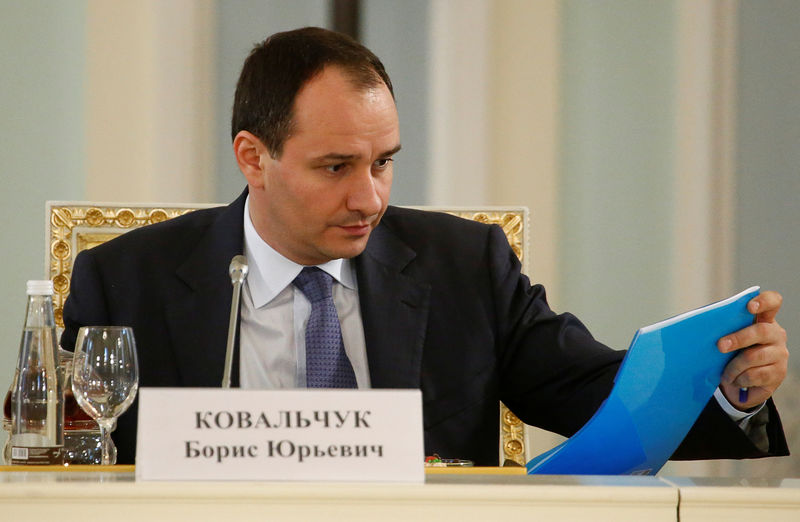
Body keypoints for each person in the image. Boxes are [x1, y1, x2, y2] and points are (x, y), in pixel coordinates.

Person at [61, 27, 789, 465]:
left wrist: (726, 390)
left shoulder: (465, 266)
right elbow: (58, 451)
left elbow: (594, 396)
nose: (370, 199)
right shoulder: (125, 280)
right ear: (253, 157)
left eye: (383, 162)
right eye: (335, 167)